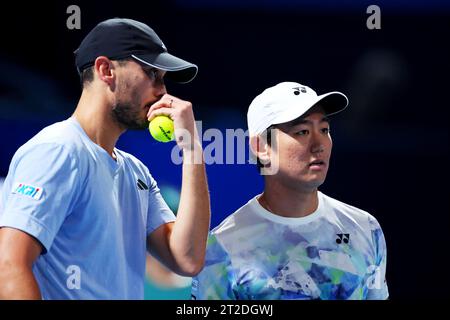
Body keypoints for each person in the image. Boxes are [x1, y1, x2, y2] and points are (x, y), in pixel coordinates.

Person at [0, 18, 210, 299]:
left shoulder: (136, 172)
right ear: (105, 69)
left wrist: (192, 149)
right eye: (151, 74)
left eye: (163, 79)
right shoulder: (57, 150)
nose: (162, 91)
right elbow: (9, 265)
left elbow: (188, 259)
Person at [192, 82, 388, 300]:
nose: (319, 144)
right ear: (261, 148)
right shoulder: (222, 247)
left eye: (324, 130)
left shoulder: (365, 228)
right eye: (302, 131)